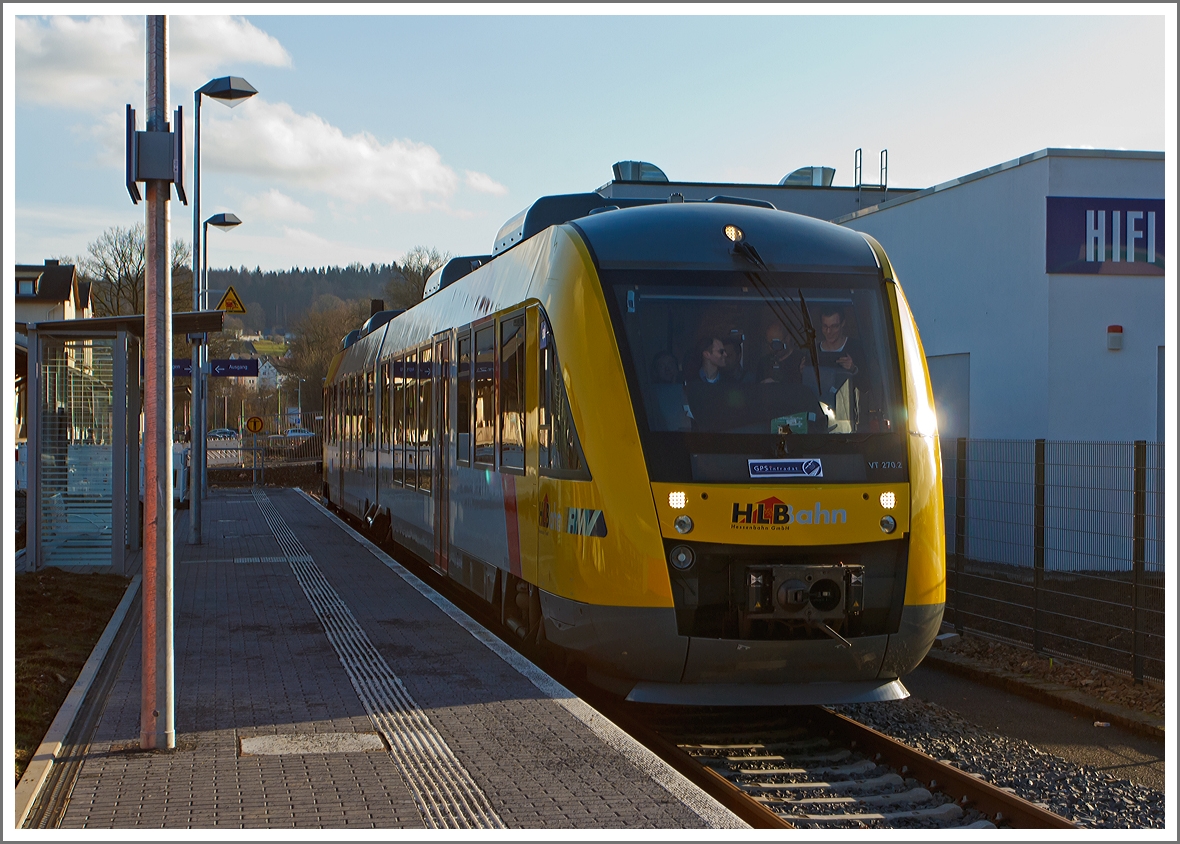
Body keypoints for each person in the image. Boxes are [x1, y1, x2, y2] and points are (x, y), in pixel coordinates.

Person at [647, 351, 692, 432]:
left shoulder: (688, 389)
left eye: (670, 364)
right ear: (656, 371)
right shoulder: (652, 395)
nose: (667, 369)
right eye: (661, 366)